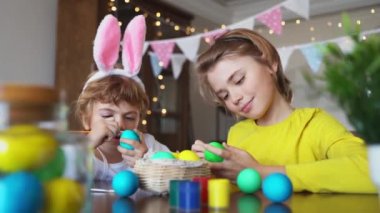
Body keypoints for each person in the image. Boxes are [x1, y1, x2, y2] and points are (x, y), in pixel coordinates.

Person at [192, 29, 376, 193]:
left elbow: (372, 170)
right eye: (224, 95)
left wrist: (260, 171)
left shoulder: (314, 123)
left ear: (270, 63)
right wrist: (204, 168)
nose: (234, 98)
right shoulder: (237, 134)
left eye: (239, 80)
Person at [76, 14, 169, 181]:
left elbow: (174, 172)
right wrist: (87, 145)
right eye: (107, 115)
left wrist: (146, 160)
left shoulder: (147, 145)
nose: (119, 124)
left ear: (139, 119)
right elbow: (54, 176)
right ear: (86, 119)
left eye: (130, 117)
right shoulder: (78, 148)